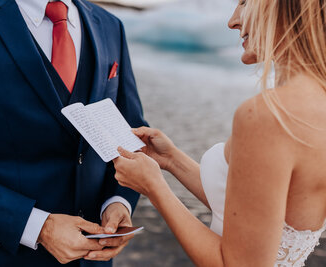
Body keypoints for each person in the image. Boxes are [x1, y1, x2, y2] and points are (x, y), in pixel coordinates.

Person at [0, 0, 147, 266]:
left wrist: (118, 200)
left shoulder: (110, 25)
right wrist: (39, 227)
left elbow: (129, 137)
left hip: (94, 260)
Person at [113, 0, 326, 266]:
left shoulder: (271, 116)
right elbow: (251, 213)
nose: (232, 20)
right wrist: (172, 161)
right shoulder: (318, 102)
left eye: (245, 2)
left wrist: (154, 187)